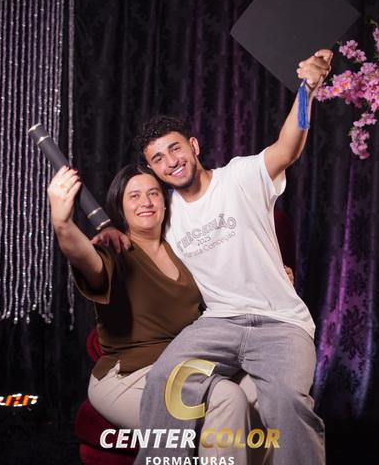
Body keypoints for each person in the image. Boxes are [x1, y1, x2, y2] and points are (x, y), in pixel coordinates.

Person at [94, 49, 332, 465]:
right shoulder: (165, 215)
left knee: (288, 403)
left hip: (280, 323)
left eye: (175, 149)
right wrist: (109, 230)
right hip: (218, 324)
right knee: (167, 378)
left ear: (193, 145)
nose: (170, 162)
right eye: (158, 159)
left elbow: (287, 148)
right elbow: (136, 241)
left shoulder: (239, 176)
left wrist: (307, 90)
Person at [47, 163, 269, 464]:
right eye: (134, 196)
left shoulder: (182, 247)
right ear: (120, 207)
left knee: (262, 391)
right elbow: (84, 257)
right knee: (225, 397)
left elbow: (230, 281)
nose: (146, 202)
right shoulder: (114, 249)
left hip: (188, 366)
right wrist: (63, 224)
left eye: (153, 193)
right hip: (129, 377)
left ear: (165, 202)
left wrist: (272, 276)